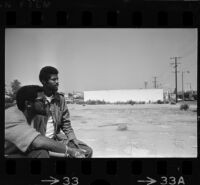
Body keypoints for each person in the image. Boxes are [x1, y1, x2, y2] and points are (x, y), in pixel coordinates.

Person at [5, 85, 85, 158]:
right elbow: (39, 142)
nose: (46, 103)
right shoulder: (12, 117)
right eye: (42, 100)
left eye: (46, 100)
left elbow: (39, 147)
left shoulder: (35, 118)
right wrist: (71, 151)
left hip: (20, 153)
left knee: (41, 153)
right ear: (28, 104)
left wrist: (67, 154)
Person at [39, 66, 93, 158]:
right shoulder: (36, 99)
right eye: (53, 79)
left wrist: (72, 139)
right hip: (40, 142)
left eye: (57, 79)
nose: (57, 82)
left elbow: (66, 123)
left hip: (56, 139)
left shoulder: (60, 99)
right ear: (44, 81)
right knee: (69, 155)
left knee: (86, 151)